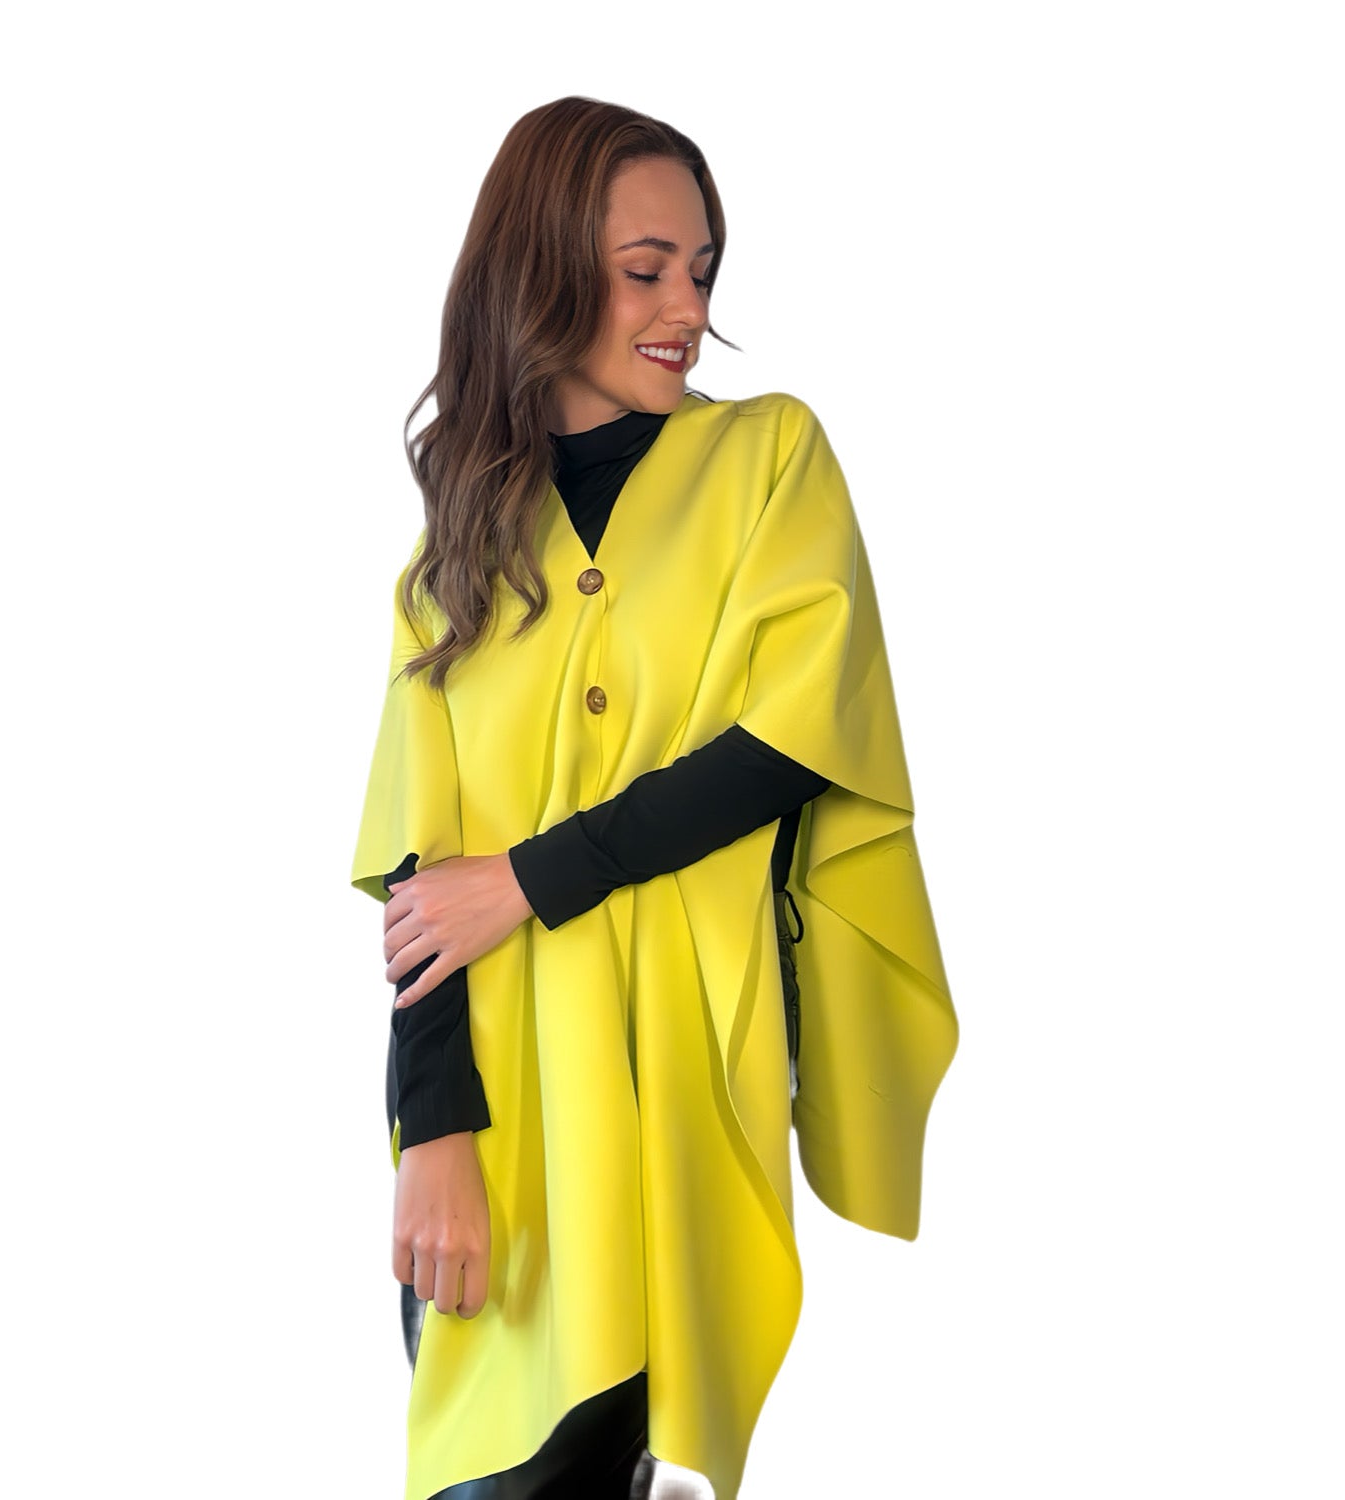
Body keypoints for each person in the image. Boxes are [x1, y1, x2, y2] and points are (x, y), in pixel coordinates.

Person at [350, 96, 959, 1500]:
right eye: (646, 271)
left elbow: (791, 743)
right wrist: (431, 1137)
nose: (688, 308)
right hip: (503, 1125)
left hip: (677, 1092)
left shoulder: (768, 460)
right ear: (543, 273)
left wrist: (529, 879)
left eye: (702, 269)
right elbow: (420, 882)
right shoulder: (453, 559)